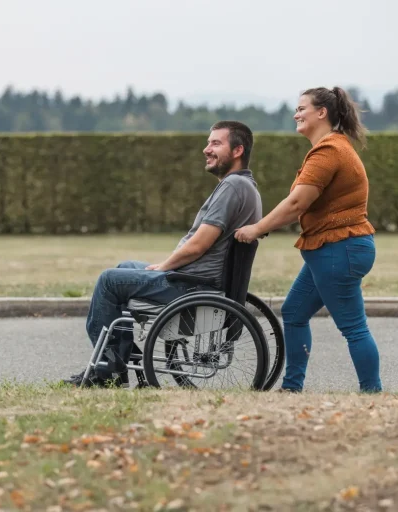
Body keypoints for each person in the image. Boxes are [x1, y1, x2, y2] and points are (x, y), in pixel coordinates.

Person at [64, 120, 263, 387]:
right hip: (198, 281)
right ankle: (118, 364)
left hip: (192, 286)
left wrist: (165, 266)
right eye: (208, 142)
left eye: (216, 143)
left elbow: (199, 245)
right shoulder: (245, 186)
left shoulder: (233, 187)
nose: (206, 149)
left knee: (109, 280)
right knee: (125, 266)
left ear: (237, 150)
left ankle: (108, 371)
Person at [234, 87, 382, 393]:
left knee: (353, 327)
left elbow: (296, 203)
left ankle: (373, 394)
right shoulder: (333, 147)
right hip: (333, 249)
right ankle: (292, 387)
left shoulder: (329, 151)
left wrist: (256, 228)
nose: (296, 114)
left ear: (322, 113)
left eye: (302, 109)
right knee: (294, 312)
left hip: (338, 249)